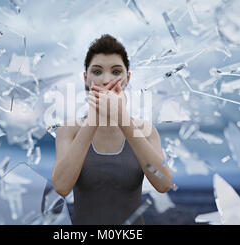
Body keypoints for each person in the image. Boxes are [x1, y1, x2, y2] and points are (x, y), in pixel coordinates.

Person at [51, 34, 174, 225]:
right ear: (86, 78)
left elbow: (164, 184)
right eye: (97, 72)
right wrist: (94, 118)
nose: (106, 79)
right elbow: (61, 186)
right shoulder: (69, 131)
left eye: (116, 72)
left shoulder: (146, 131)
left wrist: (122, 118)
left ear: (128, 78)